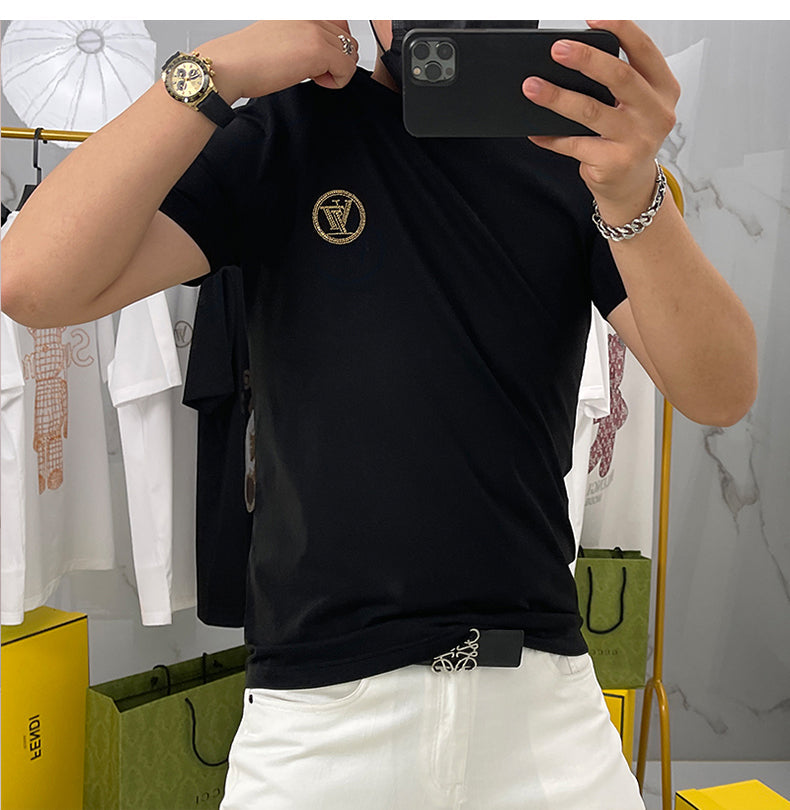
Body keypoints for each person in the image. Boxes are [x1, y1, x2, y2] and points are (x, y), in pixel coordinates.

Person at [1, 19, 757, 810]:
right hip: (317, 719)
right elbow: (31, 283)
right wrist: (213, 70)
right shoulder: (287, 133)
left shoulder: (574, 150)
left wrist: (634, 193)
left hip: (539, 703)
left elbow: (721, 393)